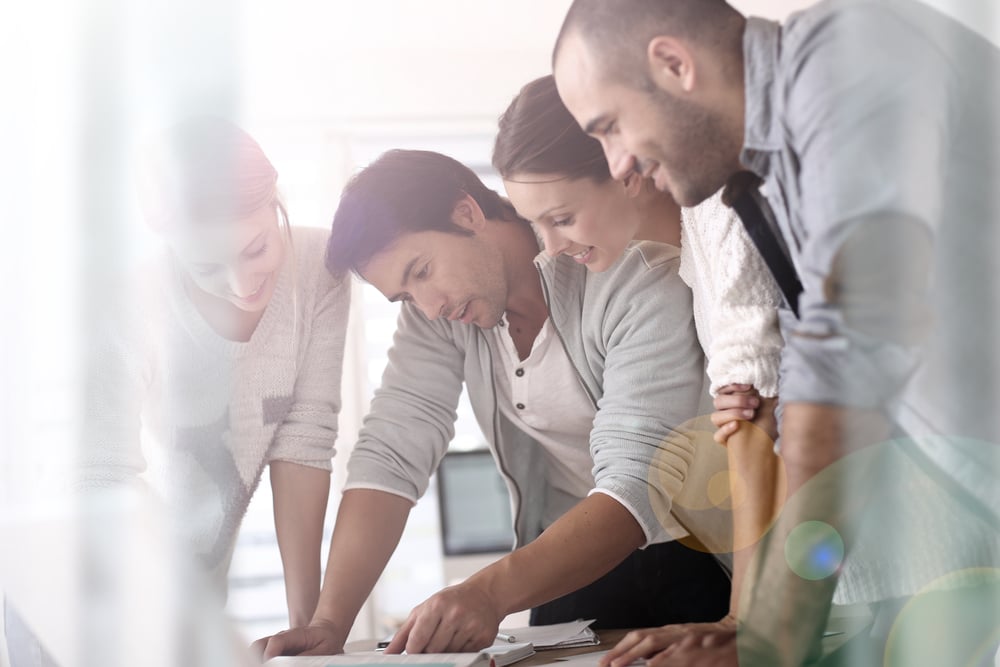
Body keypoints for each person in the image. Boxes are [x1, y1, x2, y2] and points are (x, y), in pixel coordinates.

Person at [552, 0, 1000, 665]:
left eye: (610, 126)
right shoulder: (769, 180)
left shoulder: (847, 54)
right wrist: (759, 617)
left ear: (674, 64)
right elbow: (814, 420)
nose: (618, 164)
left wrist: (776, 630)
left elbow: (851, 343)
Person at [255, 149, 734, 659]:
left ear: (467, 213)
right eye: (404, 296)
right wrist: (330, 621)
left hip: (700, 553)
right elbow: (391, 454)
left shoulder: (630, 273)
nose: (430, 305)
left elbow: (639, 481)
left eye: (422, 270)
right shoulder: (440, 316)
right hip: (565, 564)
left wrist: (486, 592)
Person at [492, 73, 786, 635]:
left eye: (561, 218)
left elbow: (755, 428)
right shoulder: (688, 254)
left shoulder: (720, 214)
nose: (549, 248)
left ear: (621, 166)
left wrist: (742, 625)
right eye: (536, 225)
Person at [76, 117, 351, 625]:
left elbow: (304, 440)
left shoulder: (319, 266)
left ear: (276, 201)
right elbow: (99, 472)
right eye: (205, 268)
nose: (242, 285)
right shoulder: (126, 303)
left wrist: (309, 630)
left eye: (256, 250)